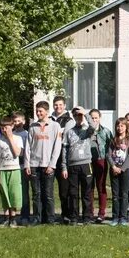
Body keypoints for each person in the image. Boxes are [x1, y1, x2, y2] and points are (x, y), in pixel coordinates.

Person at [25, 101, 62, 225]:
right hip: (34, 165)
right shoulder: (32, 127)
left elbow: (57, 147)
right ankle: (37, 217)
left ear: (46, 111)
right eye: (37, 111)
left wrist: (52, 164)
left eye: (40, 111)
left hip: (48, 165)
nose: (38, 113)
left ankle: (50, 218)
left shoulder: (55, 126)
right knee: (36, 194)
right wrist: (27, 164)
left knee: (48, 193)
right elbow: (28, 147)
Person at [61, 107, 94, 225]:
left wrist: (86, 114)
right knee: (73, 193)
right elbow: (64, 149)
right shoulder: (69, 132)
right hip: (72, 165)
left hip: (85, 164)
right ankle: (74, 217)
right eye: (76, 116)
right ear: (73, 117)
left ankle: (86, 217)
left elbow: (94, 127)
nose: (78, 118)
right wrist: (64, 167)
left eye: (80, 116)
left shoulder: (87, 130)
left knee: (86, 192)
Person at [0, 116, 23, 227]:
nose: (4, 129)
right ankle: (6, 217)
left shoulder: (18, 138)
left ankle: (13, 218)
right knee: (4, 194)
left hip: (14, 169)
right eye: (2, 127)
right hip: (2, 169)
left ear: (12, 126)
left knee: (14, 193)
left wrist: (10, 138)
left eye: (7, 127)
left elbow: (17, 153)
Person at [108, 117, 129, 226]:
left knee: (124, 194)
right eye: (118, 126)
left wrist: (122, 168)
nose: (120, 128)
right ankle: (115, 217)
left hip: (125, 170)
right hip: (114, 170)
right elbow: (108, 154)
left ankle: (123, 218)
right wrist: (113, 166)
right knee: (115, 195)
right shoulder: (113, 140)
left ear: (126, 127)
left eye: (122, 126)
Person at [51, 95, 74, 223]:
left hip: (63, 157)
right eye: (56, 105)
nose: (58, 107)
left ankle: (67, 214)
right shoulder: (49, 119)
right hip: (50, 158)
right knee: (48, 189)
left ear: (64, 106)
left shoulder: (69, 120)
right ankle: (49, 215)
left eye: (60, 105)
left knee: (64, 189)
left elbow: (67, 137)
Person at [89, 109, 113, 223]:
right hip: (88, 161)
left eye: (96, 118)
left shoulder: (106, 132)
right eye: (92, 118)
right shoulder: (86, 131)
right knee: (89, 187)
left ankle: (101, 213)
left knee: (101, 186)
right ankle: (89, 212)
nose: (94, 120)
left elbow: (111, 147)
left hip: (101, 160)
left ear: (100, 118)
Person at [12, 111, 30, 224]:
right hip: (12, 165)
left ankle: (25, 215)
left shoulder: (26, 134)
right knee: (13, 191)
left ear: (24, 121)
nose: (17, 123)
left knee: (24, 191)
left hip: (23, 165)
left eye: (19, 121)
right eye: (15, 121)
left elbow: (26, 151)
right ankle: (12, 215)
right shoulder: (11, 134)